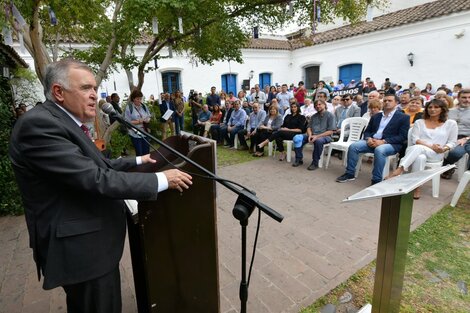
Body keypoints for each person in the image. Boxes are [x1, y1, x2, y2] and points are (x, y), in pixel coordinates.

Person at [8, 58, 192, 313]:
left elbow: (98, 166)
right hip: (81, 251)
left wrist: (140, 159)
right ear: (58, 92)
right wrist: (162, 179)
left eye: (95, 88)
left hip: (89, 245)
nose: (95, 95)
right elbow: (94, 178)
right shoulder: (39, 125)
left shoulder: (62, 122)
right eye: (85, 88)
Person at [388, 99, 457, 198]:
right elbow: (416, 139)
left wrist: (444, 148)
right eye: (430, 107)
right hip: (415, 150)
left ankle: (399, 170)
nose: (432, 109)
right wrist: (431, 146)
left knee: (418, 150)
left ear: (443, 109)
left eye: (436, 107)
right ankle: (416, 187)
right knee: (420, 157)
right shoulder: (419, 122)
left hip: (436, 154)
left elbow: (452, 142)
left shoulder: (451, 124)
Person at [336, 94, 409, 185]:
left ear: (396, 103)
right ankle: (350, 173)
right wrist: (368, 138)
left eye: (390, 101)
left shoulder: (403, 117)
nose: (386, 102)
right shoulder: (376, 116)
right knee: (354, 146)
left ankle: (376, 180)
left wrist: (383, 141)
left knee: (380, 150)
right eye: (385, 100)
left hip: (390, 144)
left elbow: (402, 136)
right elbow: (367, 131)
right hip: (372, 141)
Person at [292, 99, 336, 170]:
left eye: (319, 104)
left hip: (325, 136)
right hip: (312, 135)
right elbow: (309, 127)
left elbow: (331, 131)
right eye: (316, 105)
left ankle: (315, 163)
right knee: (297, 138)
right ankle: (299, 159)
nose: (317, 106)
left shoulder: (330, 116)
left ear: (324, 105)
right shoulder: (313, 116)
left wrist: (317, 136)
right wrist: (309, 135)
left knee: (318, 141)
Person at [441, 88, 470, 179]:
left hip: (466, 138)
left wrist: (466, 139)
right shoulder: (450, 111)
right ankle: (447, 166)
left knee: (456, 152)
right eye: (464, 97)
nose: (467, 100)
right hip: (450, 136)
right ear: (458, 98)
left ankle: (446, 165)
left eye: (469, 97)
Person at [125, 89, 153, 156]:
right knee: (139, 153)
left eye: (140, 99)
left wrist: (148, 120)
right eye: (137, 99)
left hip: (145, 132)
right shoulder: (129, 107)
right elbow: (127, 121)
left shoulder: (144, 106)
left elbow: (149, 116)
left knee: (146, 152)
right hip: (135, 133)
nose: (139, 101)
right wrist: (138, 122)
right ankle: (140, 166)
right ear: (133, 99)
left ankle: (147, 165)